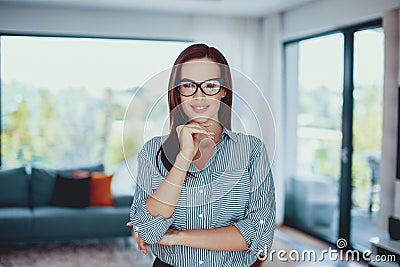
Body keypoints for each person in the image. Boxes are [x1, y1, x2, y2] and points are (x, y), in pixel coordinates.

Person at [128, 43, 275, 267]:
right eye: (188, 85)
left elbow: (260, 234)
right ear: (177, 91)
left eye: (210, 85)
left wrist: (177, 236)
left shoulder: (252, 151)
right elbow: (147, 229)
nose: (199, 96)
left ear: (224, 90)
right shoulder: (152, 152)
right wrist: (183, 158)